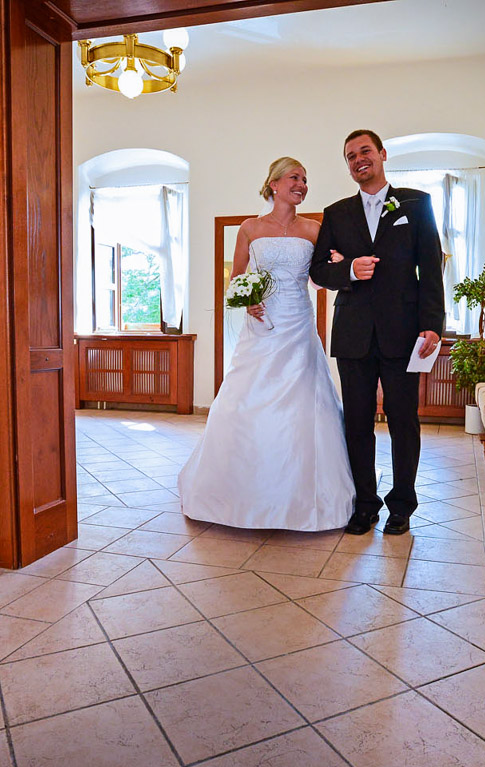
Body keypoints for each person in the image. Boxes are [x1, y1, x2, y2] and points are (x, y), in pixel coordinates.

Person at [178, 157, 355, 531]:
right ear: (274, 184)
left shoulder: (314, 229)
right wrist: (247, 300)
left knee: (304, 397)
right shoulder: (250, 228)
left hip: (298, 322)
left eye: (305, 179)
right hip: (261, 326)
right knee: (247, 396)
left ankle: (305, 494)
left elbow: (320, 276)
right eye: (295, 177)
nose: (302, 184)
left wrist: (340, 263)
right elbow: (237, 277)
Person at [310, 130, 445, 536]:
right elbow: (318, 271)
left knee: (403, 420)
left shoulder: (416, 204)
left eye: (364, 151)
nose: (358, 160)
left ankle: (401, 505)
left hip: (404, 332)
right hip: (353, 333)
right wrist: (349, 270)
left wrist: (432, 324)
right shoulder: (336, 213)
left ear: (383, 154)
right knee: (357, 422)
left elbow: (430, 267)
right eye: (350, 156)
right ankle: (365, 504)